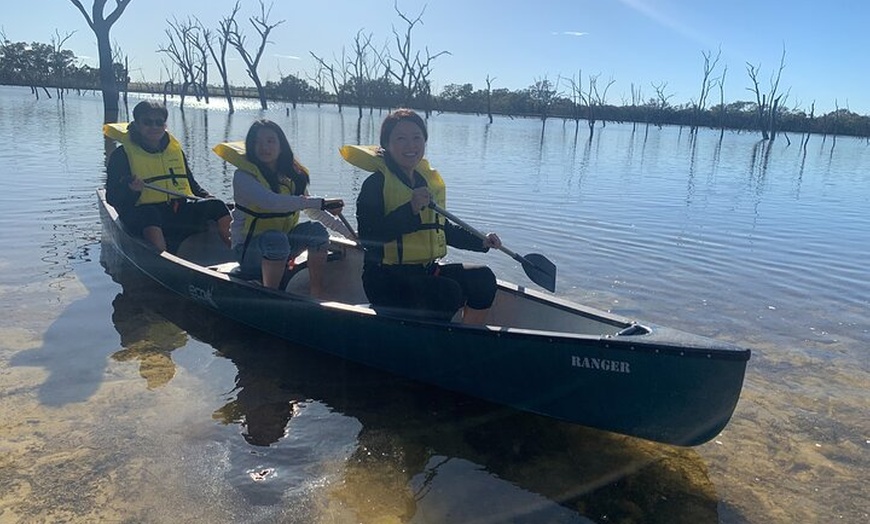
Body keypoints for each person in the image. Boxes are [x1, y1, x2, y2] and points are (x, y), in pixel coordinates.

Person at [348, 108, 502, 324]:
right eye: (400, 139)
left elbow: (441, 229)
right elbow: (369, 237)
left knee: (482, 278)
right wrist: (409, 210)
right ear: (387, 144)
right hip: (385, 280)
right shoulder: (375, 184)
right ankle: (431, 346)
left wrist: (482, 241)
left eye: (416, 138)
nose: (410, 146)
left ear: (424, 141)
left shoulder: (424, 183)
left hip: (427, 272)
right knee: (447, 292)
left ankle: (466, 341)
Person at [226, 119, 352, 295]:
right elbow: (272, 202)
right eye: (257, 142)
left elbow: (314, 211)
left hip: (282, 246)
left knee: (316, 231)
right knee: (275, 239)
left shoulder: (291, 177)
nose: (264, 147)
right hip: (248, 252)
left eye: (270, 141)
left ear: (281, 145)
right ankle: (270, 296)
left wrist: (351, 235)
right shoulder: (243, 176)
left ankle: (317, 293)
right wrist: (322, 202)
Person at [105, 100, 231, 253]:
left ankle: (237, 252)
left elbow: (191, 185)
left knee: (216, 205)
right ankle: (165, 259)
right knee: (150, 213)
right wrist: (132, 190)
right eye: (147, 122)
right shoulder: (121, 155)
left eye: (159, 123)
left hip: (175, 211)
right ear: (137, 124)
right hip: (141, 214)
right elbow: (112, 197)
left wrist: (208, 197)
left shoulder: (174, 151)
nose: (154, 127)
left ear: (165, 125)